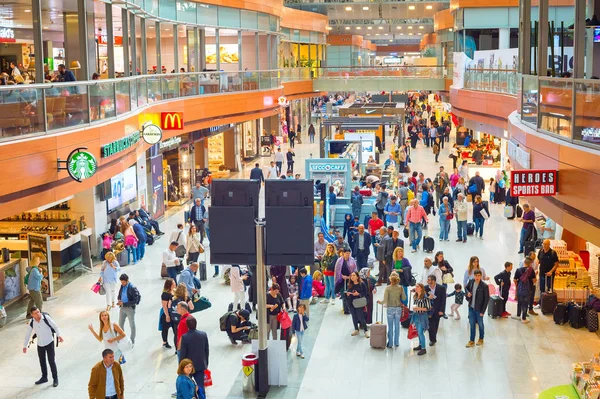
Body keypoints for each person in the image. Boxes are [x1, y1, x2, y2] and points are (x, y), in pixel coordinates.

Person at [23, 307, 63, 387]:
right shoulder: (32, 322)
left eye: (38, 312)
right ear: (32, 315)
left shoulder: (46, 318)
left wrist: (59, 335)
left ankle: (55, 379)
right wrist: (25, 346)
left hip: (49, 343)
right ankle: (44, 377)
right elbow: (28, 334)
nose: (38, 314)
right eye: (35, 313)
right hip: (40, 344)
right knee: (42, 362)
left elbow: (55, 326)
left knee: (51, 361)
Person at [179, 316, 209, 396]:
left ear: (187, 326)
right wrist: (206, 363)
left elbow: (183, 354)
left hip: (189, 367)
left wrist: (181, 367)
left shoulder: (185, 337)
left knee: (187, 386)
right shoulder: (203, 334)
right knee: (201, 387)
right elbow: (206, 351)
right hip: (200, 365)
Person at [377, 272, 406, 348]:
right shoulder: (400, 288)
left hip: (390, 308)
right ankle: (397, 342)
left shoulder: (388, 288)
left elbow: (385, 300)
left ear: (390, 279)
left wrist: (380, 302)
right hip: (398, 308)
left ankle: (390, 343)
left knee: (390, 326)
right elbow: (404, 298)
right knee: (397, 326)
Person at [465, 270, 490, 347]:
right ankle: (471, 340)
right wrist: (467, 294)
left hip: (479, 309)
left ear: (481, 276)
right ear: (474, 276)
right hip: (471, 308)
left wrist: (483, 311)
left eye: (479, 276)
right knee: (472, 324)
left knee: (480, 324)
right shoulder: (471, 282)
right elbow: (466, 289)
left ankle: (481, 338)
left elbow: (486, 299)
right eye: (476, 275)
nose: (477, 277)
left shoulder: (484, 286)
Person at [117, 273, 140, 345]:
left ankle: (132, 340)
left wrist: (124, 303)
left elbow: (135, 300)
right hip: (122, 307)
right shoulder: (122, 286)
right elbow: (120, 294)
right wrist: (119, 299)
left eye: (123, 282)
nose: (122, 283)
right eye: (121, 282)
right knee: (120, 324)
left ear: (127, 281)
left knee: (132, 325)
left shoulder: (132, 288)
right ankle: (122, 338)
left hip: (129, 308)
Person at [424, 275, 446, 346]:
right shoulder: (425, 288)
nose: (429, 282)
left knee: (435, 325)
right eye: (428, 280)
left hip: (437, 310)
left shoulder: (441, 288)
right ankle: (432, 339)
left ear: (434, 281)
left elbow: (443, 300)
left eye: (430, 280)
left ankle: (433, 336)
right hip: (428, 310)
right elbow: (422, 298)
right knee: (430, 325)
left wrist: (442, 310)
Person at [346, 271, 369, 338]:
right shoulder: (350, 284)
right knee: (354, 316)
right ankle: (356, 329)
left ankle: (365, 330)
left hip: (359, 303)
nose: (352, 277)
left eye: (354, 275)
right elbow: (348, 291)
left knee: (361, 317)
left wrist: (358, 294)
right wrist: (348, 294)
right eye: (351, 275)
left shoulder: (362, 284)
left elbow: (365, 293)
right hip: (351, 302)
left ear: (357, 277)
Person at [513, 258, 536, 323]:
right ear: (530, 264)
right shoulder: (531, 271)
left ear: (524, 263)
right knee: (525, 304)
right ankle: (524, 318)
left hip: (520, 290)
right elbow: (534, 280)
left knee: (519, 302)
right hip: (528, 290)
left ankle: (518, 315)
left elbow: (514, 280)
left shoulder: (518, 270)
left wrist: (517, 285)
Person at [411, 283, 431, 356]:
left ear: (421, 288)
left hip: (422, 316)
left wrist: (419, 308)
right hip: (416, 315)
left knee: (420, 332)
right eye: (415, 286)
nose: (416, 288)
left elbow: (428, 308)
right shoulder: (416, 296)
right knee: (418, 332)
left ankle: (423, 348)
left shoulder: (425, 297)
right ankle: (420, 344)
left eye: (417, 287)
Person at [160, 279, 177, 349]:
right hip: (167, 313)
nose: (175, 284)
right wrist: (167, 315)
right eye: (173, 283)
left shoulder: (174, 291)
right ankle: (165, 342)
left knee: (175, 328)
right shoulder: (165, 294)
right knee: (165, 328)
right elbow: (164, 306)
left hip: (173, 312)